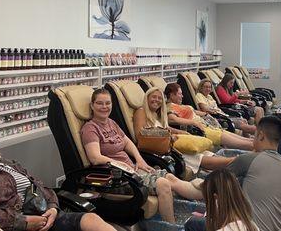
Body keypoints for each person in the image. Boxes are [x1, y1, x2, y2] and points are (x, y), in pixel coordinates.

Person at [0, 118, 115, 231]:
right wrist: (22, 222)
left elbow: (38, 185)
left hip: (44, 216)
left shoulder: (6, 164)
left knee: (92, 220)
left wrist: (53, 207)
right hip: (12, 226)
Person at [81, 88, 201, 224]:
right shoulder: (90, 128)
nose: (104, 107)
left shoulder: (111, 123)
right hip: (116, 178)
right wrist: (120, 165)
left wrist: (140, 160)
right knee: (163, 184)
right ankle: (172, 226)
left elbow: (128, 143)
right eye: (99, 103)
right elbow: (95, 158)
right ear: (92, 105)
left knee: (169, 176)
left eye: (107, 103)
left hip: (131, 170)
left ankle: (206, 192)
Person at [185, 116, 281, 231]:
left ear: (261, 135)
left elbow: (212, 183)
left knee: (193, 223)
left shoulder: (249, 159)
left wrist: (178, 183)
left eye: (254, 135)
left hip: (254, 228)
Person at [133, 87, 235, 173]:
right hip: (158, 149)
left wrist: (180, 132)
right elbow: (140, 134)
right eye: (154, 97)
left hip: (167, 143)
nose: (157, 100)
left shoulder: (156, 114)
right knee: (197, 157)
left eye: (160, 98)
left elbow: (166, 128)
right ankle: (235, 162)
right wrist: (168, 135)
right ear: (147, 98)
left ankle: (234, 164)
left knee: (204, 153)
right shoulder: (141, 112)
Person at [164, 83, 253, 150]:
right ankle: (262, 148)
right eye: (180, 94)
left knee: (244, 140)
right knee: (244, 143)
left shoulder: (180, 105)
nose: (182, 96)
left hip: (207, 125)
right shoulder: (169, 107)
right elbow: (172, 119)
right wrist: (194, 122)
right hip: (201, 130)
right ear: (171, 95)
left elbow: (195, 112)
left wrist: (208, 115)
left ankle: (260, 144)